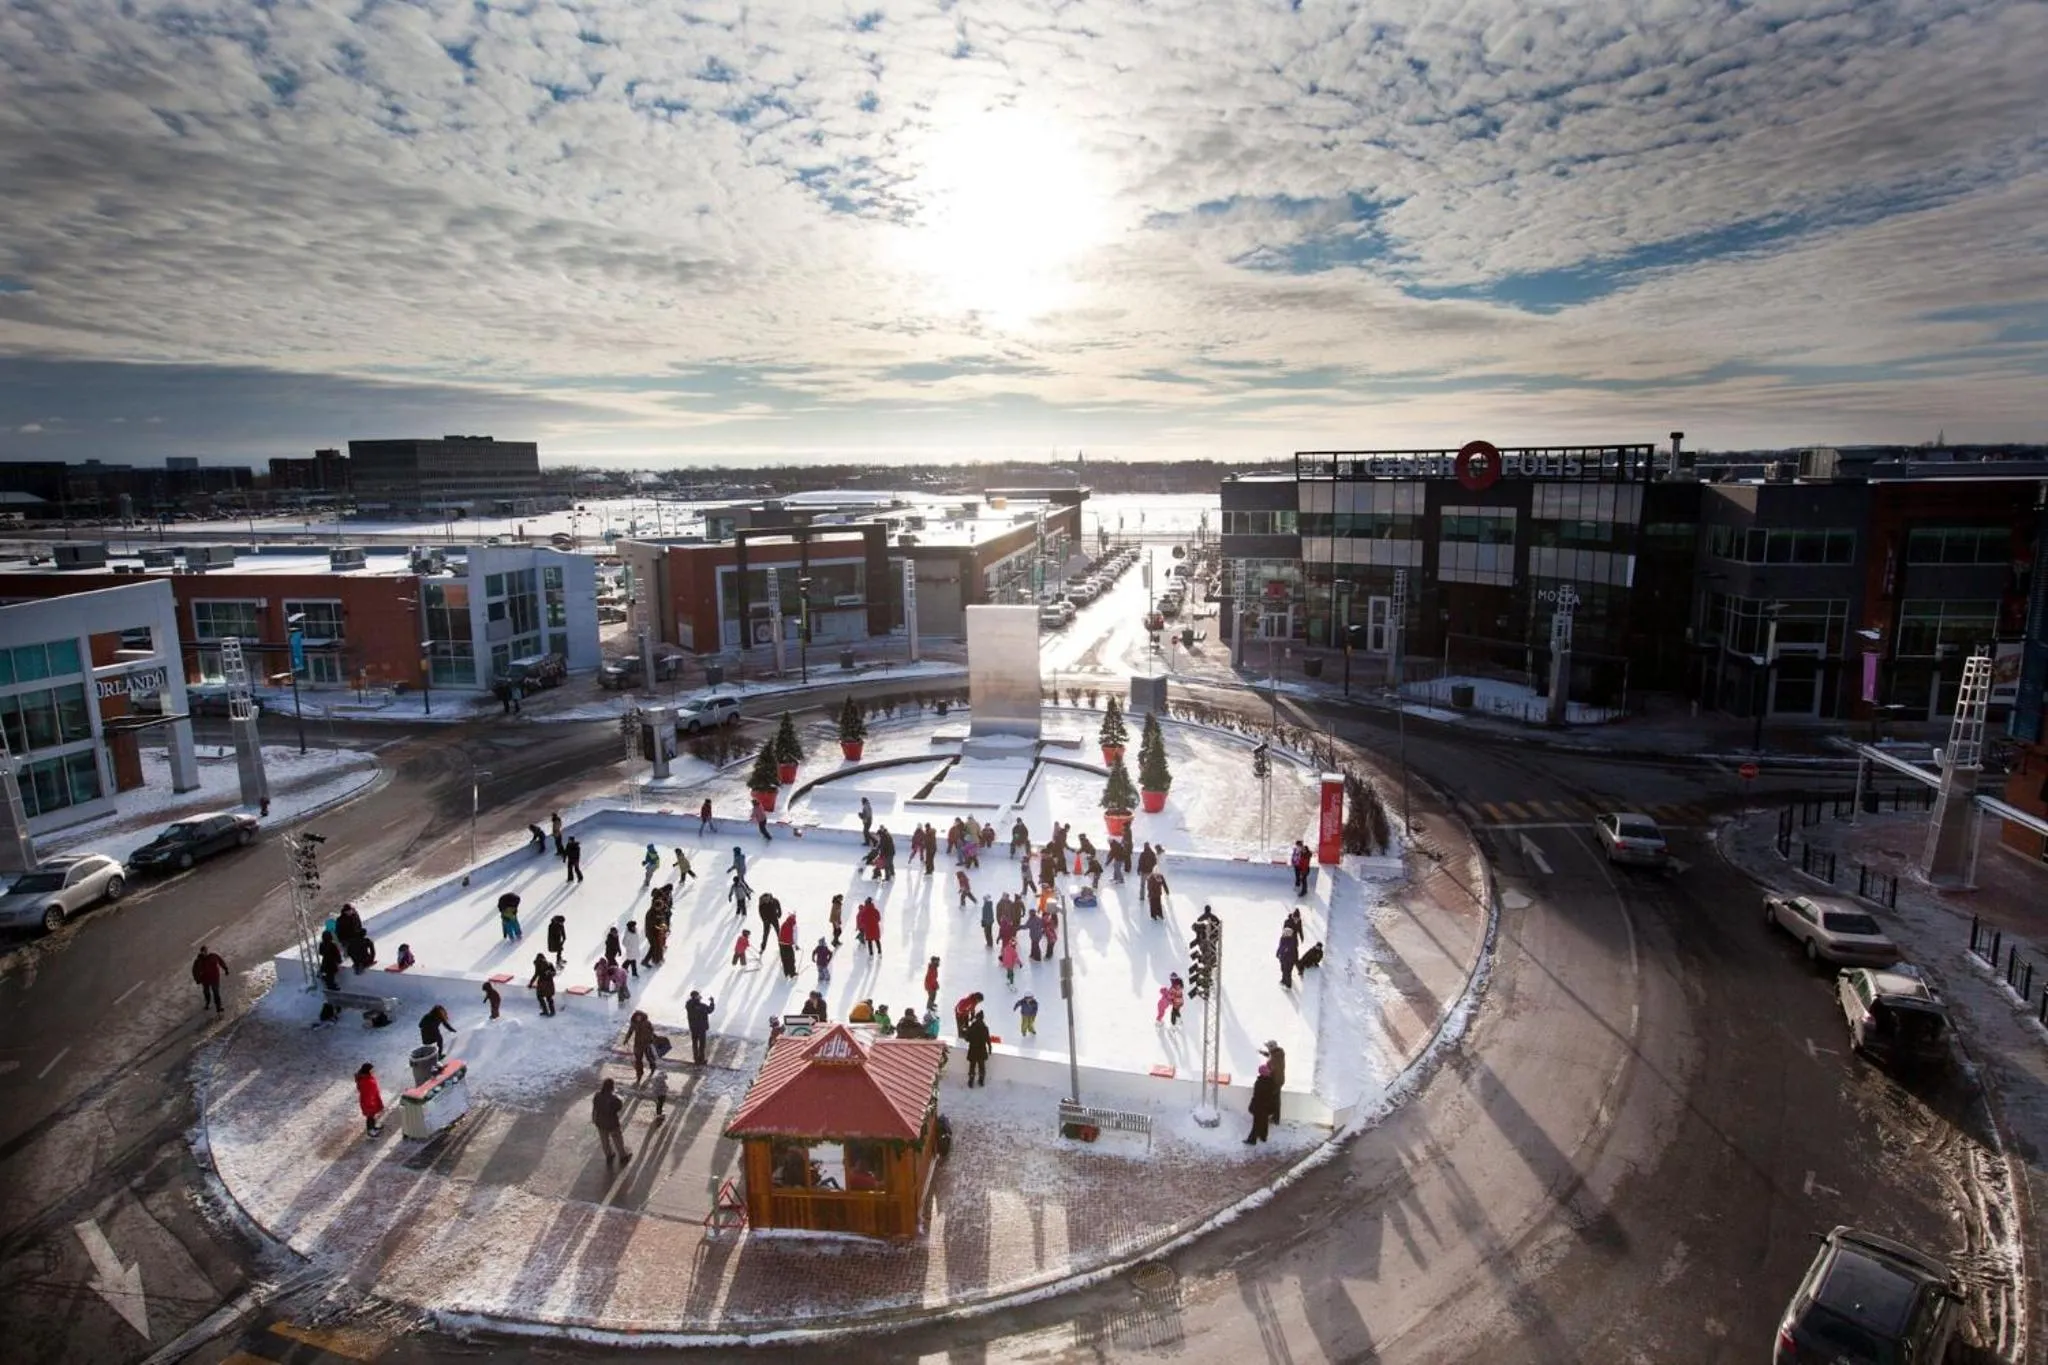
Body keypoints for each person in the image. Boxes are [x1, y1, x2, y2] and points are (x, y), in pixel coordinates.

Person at [592, 1078, 630, 1165]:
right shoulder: (614, 1099)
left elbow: (595, 1108)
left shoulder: (597, 1096)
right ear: (612, 1087)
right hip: (612, 1123)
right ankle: (623, 1156)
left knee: (604, 1140)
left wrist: (594, 1118)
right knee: (618, 1140)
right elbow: (619, 1107)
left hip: (600, 1122)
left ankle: (609, 1155)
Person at [1246, 1062, 1280, 1144]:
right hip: (1267, 1107)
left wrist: (1253, 1105)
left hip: (1259, 1106)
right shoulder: (1271, 1082)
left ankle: (1252, 1140)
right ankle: (1263, 1137)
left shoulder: (1260, 1082)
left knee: (1256, 1124)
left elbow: (1256, 1096)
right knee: (1264, 1122)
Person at [191, 945, 229, 1015]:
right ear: (201, 952)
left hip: (214, 978)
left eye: (205, 951)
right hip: (205, 980)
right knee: (206, 992)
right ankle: (207, 1003)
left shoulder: (213, 956)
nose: (205, 953)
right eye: (203, 951)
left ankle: (219, 1007)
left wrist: (225, 969)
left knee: (216, 992)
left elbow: (221, 961)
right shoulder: (198, 961)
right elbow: (194, 971)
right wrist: (197, 979)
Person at [628, 1009, 659, 1084]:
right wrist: (626, 1039)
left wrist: (651, 1038)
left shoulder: (647, 1023)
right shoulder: (634, 1023)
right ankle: (639, 1074)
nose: (638, 1018)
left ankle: (653, 1066)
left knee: (649, 1057)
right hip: (638, 1044)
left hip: (646, 1043)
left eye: (639, 1017)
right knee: (638, 1060)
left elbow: (652, 1030)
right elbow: (630, 1031)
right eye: (636, 1017)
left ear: (642, 1017)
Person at [355, 1062, 385, 1138]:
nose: (373, 1071)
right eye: (372, 1070)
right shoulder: (365, 1081)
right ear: (367, 1071)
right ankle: (370, 1131)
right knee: (370, 1117)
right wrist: (371, 1103)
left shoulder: (368, 1077)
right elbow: (367, 1094)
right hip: (369, 1102)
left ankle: (373, 1127)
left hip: (372, 1100)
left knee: (372, 1115)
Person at [685, 990, 716, 1064]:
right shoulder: (701, 1006)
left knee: (695, 1044)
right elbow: (710, 1010)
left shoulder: (689, 1005)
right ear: (696, 997)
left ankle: (696, 1059)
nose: (699, 996)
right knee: (702, 1045)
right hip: (701, 1028)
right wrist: (712, 1002)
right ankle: (701, 1060)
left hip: (693, 1028)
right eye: (698, 995)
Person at [964, 1010, 992, 1088]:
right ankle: (981, 1080)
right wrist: (990, 1048)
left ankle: (971, 1081)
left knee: (972, 1066)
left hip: (973, 1049)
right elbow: (988, 1040)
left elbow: (967, 1039)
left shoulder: (972, 1027)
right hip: (982, 1050)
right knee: (981, 1066)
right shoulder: (985, 1028)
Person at [1261, 1041, 1288, 1122]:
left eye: (1268, 1047)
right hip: (1278, 1079)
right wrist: (1264, 1053)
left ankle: (1275, 1118)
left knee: (1275, 1100)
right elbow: (1271, 1055)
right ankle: (1275, 1117)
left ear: (1272, 1048)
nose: (1268, 1049)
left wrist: (1264, 1070)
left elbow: (1271, 1067)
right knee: (1275, 1099)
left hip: (1276, 1081)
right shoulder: (1278, 1053)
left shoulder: (1275, 1058)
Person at [777, 911, 800, 980]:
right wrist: (796, 945)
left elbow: (780, 932)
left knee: (784, 959)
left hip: (781, 943)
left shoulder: (784, 923)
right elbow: (795, 935)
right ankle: (792, 974)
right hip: (787, 944)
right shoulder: (794, 924)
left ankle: (786, 973)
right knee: (791, 959)